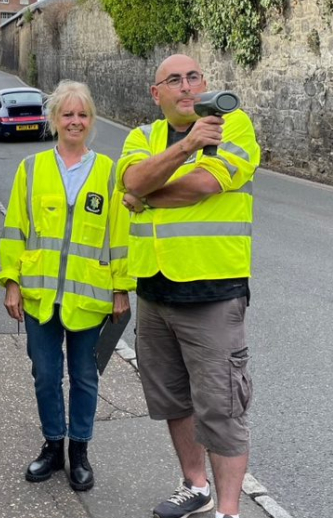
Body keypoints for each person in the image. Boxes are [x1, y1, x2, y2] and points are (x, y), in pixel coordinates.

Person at [117, 55, 260, 518]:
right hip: (155, 291)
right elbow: (132, 176)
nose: (185, 86)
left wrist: (143, 196)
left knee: (221, 406)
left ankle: (229, 511)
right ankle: (196, 487)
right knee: (173, 399)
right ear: (155, 93)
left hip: (212, 290)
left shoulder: (232, 125)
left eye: (193, 77)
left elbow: (201, 185)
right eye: (173, 80)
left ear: (205, 84)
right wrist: (182, 149)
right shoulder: (143, 136)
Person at [0, 80, 133, 492]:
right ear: (54, 118)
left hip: (90, 297)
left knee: (85, 377)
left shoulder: (109, 173)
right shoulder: (32, 169)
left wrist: (121, 288)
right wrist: (11, 282)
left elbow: (119, 236)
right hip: (39, 297)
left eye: (83, 115)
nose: (75, 121)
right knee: (45, 374)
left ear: (91, 121)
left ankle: (80, 452)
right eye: (67, 114)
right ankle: (53, 445)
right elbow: (14, 230)